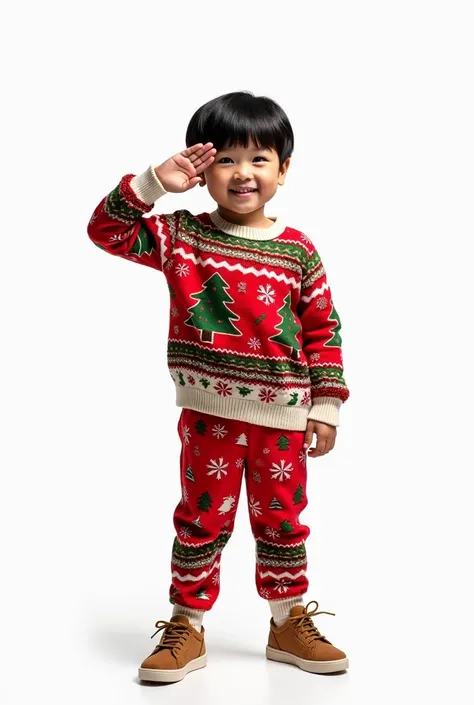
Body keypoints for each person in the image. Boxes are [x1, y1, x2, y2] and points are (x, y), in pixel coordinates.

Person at [87, 91, 350, 683]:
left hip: (284, 418)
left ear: (283, 170)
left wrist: (326, 404)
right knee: (202, 518)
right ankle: (187, 624)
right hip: (209, 415)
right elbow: (105, 231)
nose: (243, 173)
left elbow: (324, 327)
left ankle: (287, 621)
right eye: (226, 159)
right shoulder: (182, 237)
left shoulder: (298, 251)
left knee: (282, 519)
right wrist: (154, 183)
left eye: (259, 159)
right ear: (203, 170)